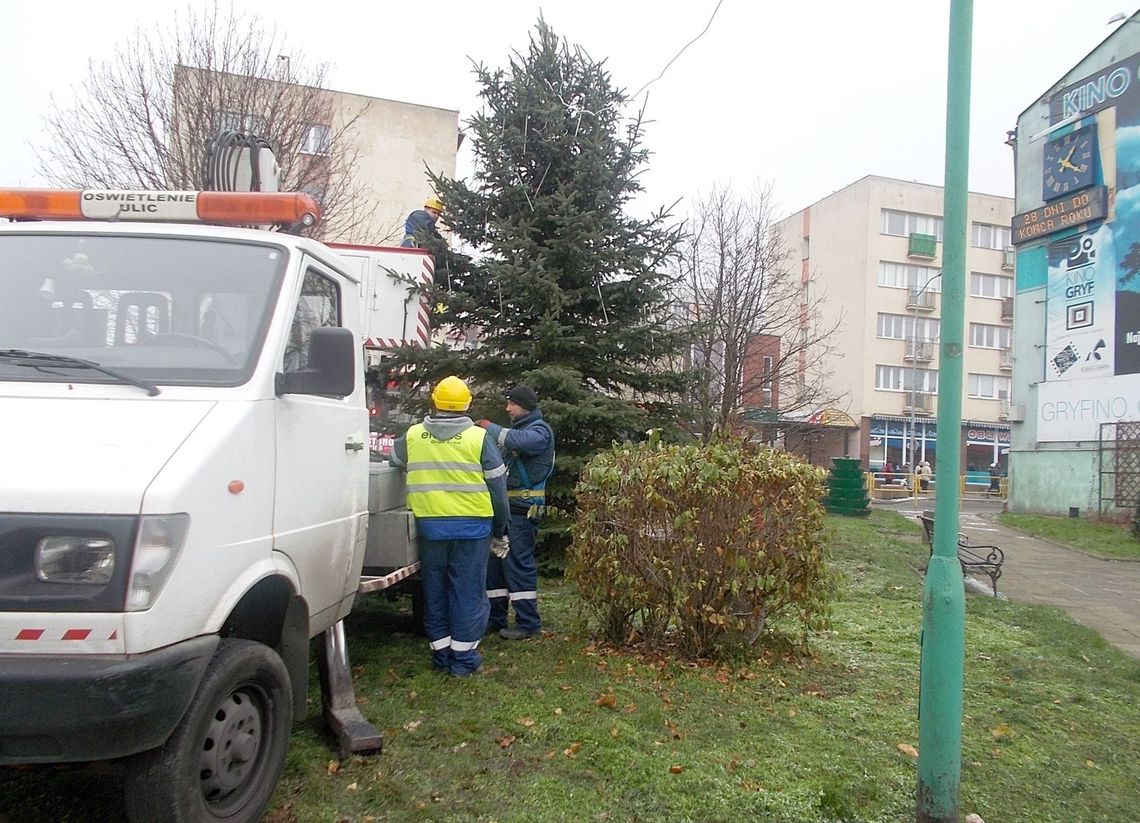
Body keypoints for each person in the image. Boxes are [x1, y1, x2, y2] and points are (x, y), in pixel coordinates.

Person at [389, 375, 509, 676]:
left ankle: (441, 654)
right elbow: (498, 490)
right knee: (467, 592)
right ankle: (463, 660)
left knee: (435, 590)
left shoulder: (414, 435)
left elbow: (393, 458)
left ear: (435, 402)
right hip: (472, 529)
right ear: (467, 403)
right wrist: (500, 531)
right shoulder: (479, 439)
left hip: (431, 527)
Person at [476, 385, 555, 640]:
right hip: (505, 509)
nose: (507, 408)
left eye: (512, 404)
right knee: (495, 567)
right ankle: (494, 619)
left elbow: (516, 441)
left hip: (523, 511)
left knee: (518, 565)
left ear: (525, 406)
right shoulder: (518, 430)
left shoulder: (539, 431)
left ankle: (528, 624)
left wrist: (489, 426)